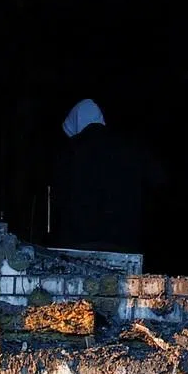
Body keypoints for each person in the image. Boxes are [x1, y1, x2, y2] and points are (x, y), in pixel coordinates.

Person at [49, 98, 165, 262]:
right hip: (125, 242)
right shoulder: (130, 147)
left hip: (77, 243)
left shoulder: (69, 152)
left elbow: (57, 197)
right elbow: (158, 180)